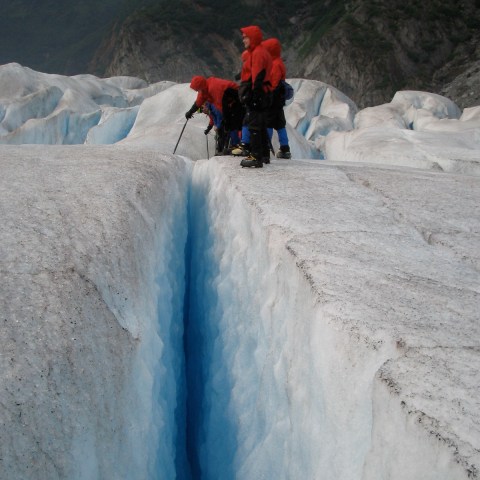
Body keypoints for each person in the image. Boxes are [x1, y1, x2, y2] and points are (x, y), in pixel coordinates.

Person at [238, 25, 273, 168]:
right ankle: (264, 154)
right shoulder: (260, 52)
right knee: (261, 124)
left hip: (258, 93)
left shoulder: (258, 53)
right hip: (264, 92)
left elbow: (258, 76)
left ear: (252, 38)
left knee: (254, 125)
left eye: (245, 37)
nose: (243, 40)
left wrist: (254, 96)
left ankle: (256, 156)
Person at [185, 76, 243, 153]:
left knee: (232, 122)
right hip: (230, 100)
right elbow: (198, 102)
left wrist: (225, 118)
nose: (197, 91)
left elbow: (221, 105)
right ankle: (232, 146)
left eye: (197, 89)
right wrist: (190, 112)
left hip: (237, 97)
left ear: (200, 87)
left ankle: (236, 145)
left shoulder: (214, 88)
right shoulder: (204, 89)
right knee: (228, 124)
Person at [262, 37, 291, 159]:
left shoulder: (274, 64)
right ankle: (285, 148)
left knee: (268, 122)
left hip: (273, 99)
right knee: (280, 124)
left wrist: (266, 95)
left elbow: (272, 84)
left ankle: (265, 147)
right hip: (279, 100)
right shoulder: (279, 62)